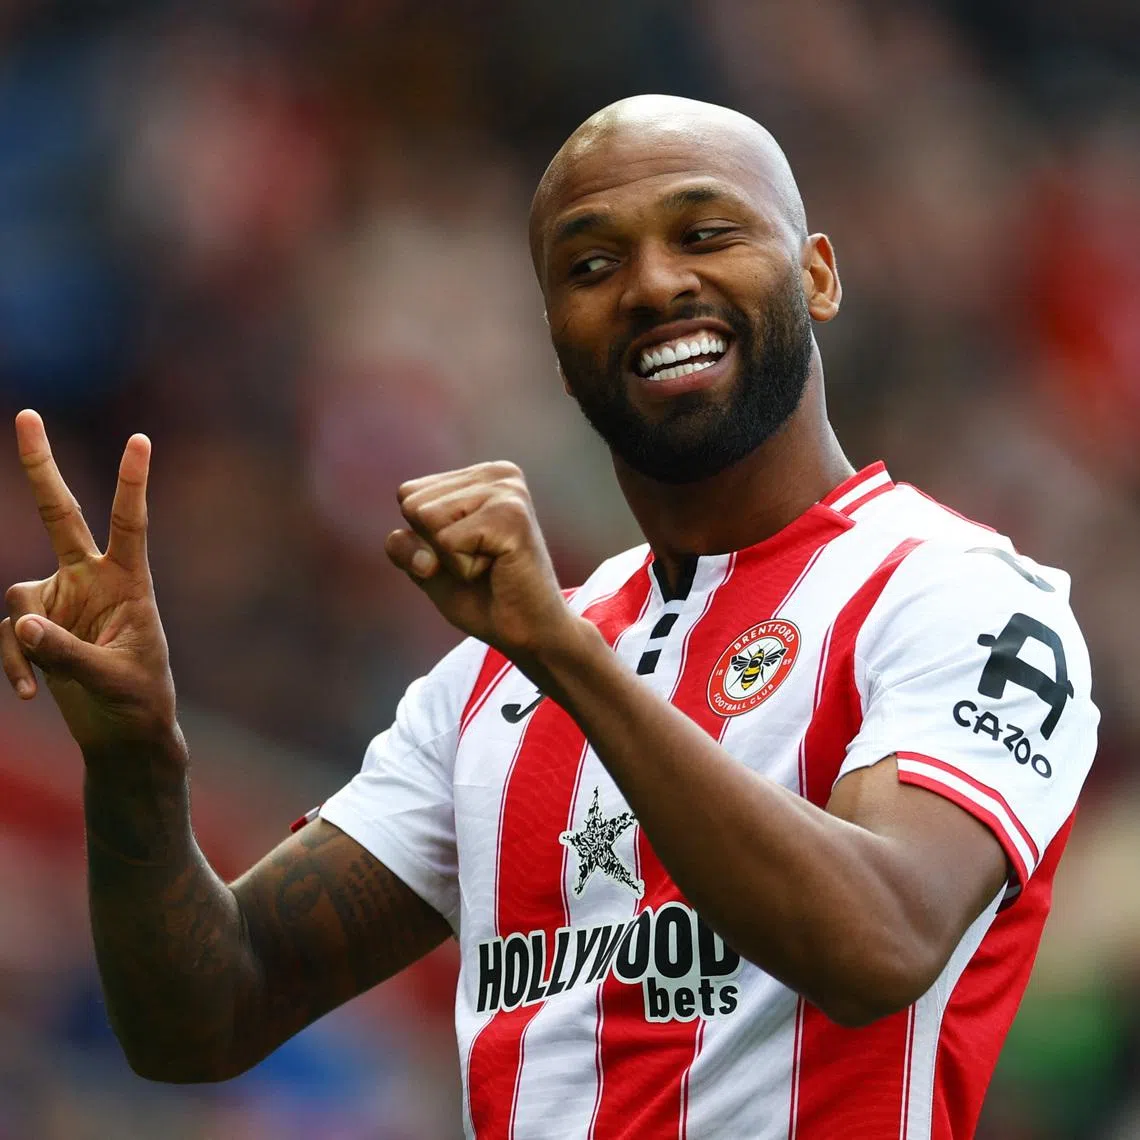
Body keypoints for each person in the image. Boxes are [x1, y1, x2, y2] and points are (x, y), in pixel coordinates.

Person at [1, 95, 1096, 1139]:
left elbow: (882, 940)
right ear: (558, 337)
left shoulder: (960, 597)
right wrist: (137, 762)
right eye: (592, 263)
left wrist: (564, 654)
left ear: (816, 277)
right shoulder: (489, 681)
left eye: (706, 233)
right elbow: (205, 1016)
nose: (655, 284)